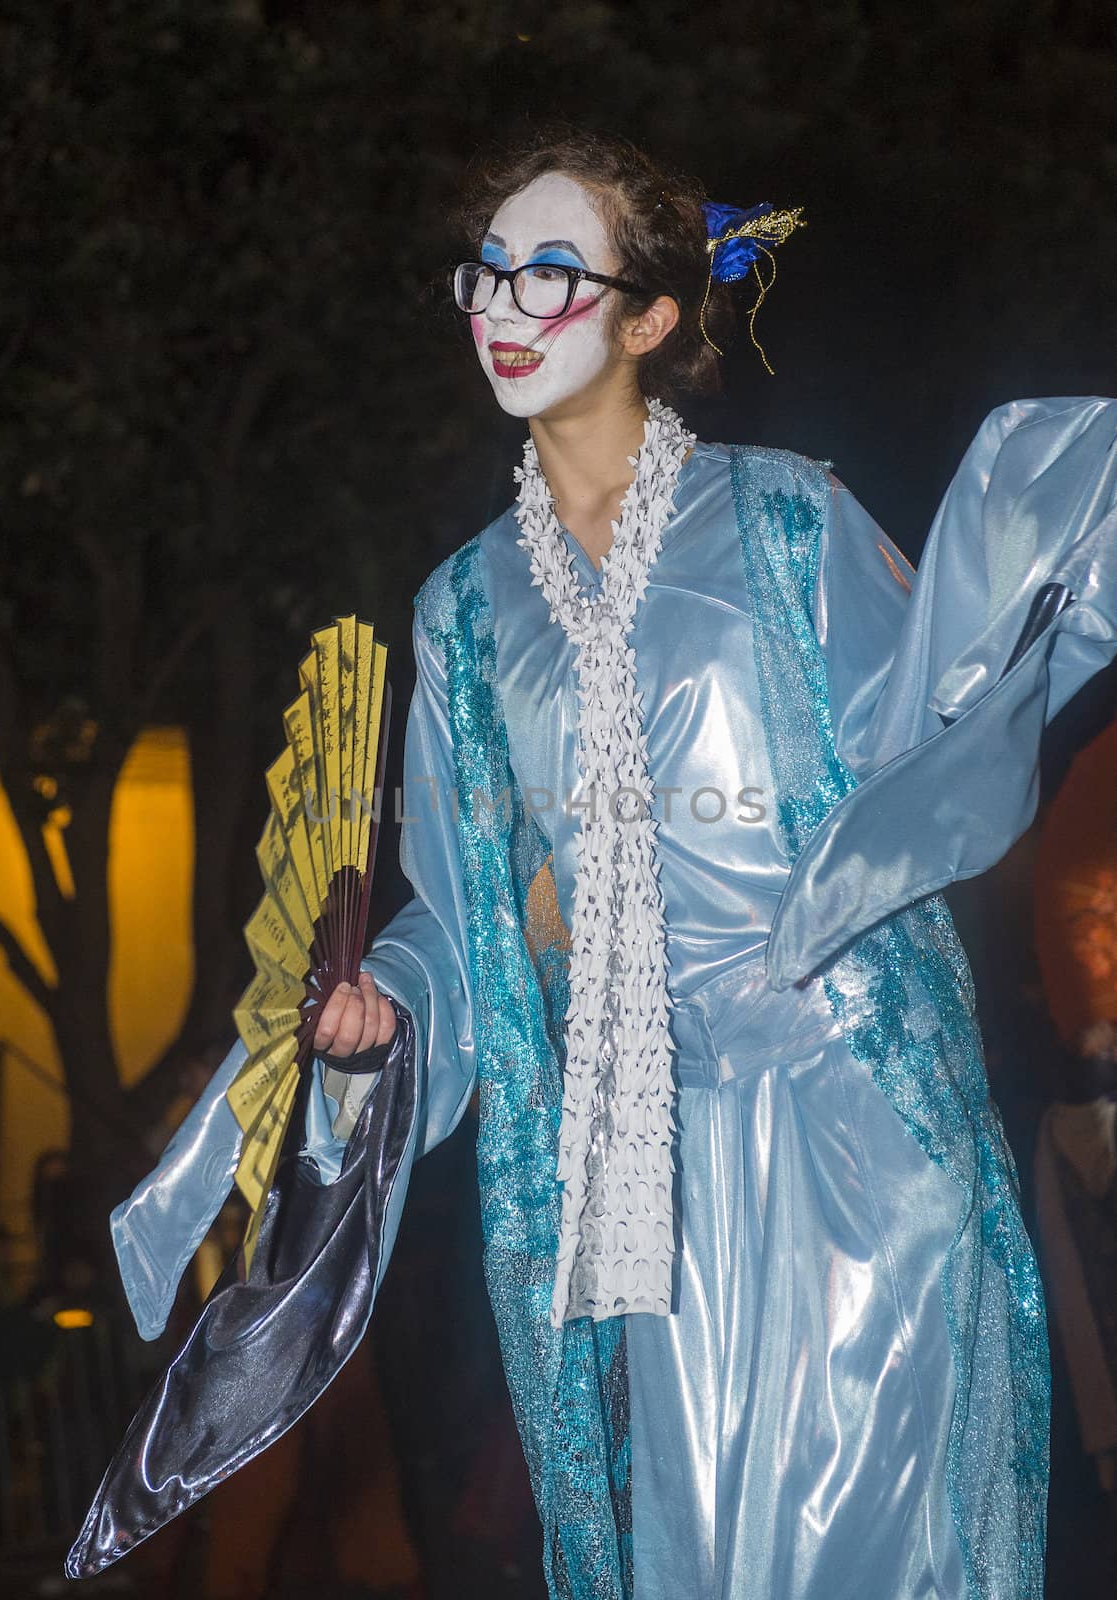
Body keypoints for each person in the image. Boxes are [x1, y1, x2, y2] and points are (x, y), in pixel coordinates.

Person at [72, 130, 1117, 1599]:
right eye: (487, 272)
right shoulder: (461, 611)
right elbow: (468, 912)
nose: (503, 304)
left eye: (550, 273)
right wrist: (391, 1019)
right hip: (646, 1194)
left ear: (649, 319)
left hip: (857, 1140)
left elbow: (925, 759)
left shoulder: (784, 521)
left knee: (877, 1550)